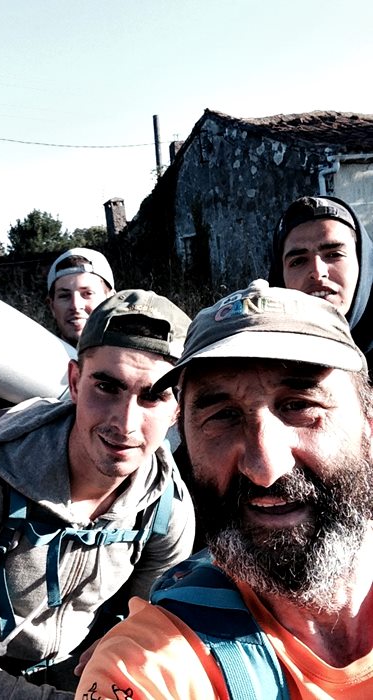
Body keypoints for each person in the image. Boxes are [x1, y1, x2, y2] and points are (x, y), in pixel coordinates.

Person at [76, 279, 373, 699]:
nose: (265, 468)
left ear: (368, 428)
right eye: (223, 416)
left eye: (299, 405)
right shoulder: (144, 666)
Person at [0, 289, 195, 699]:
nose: (125, 423)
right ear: (74, 382)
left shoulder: (166, 508)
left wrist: (118, 649)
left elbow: (149, 621)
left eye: (154, 396)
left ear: (178, 409)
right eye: (106, 387)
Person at [268, 194, 373, 367]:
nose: (317, 273)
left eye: (334, 254)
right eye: (298, 261)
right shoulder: (264, 365)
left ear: (363, 263)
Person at [47, 247, 115, 348]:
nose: (75, 305)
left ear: (112, 301)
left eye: (87, 293)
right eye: (64, 296)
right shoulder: (36, 357)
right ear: (52, 306)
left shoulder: (135, 356)